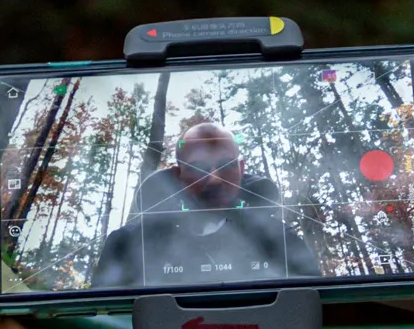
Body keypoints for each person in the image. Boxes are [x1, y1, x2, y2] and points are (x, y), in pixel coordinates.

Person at [90, 122, 321, 288]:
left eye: (226, 165)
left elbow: (317, 308)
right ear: (178, 174)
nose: (214, 179)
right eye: (198, 167)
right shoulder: (128, 243)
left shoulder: (279, 240)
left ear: (241, 169)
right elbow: (103, 321)